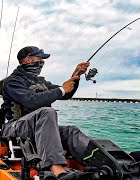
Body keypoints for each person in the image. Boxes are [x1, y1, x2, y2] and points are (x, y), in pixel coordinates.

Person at [1, 46, 91, 179]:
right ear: (28, 59)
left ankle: (100, 160)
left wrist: (76, 76)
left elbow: (65, 94)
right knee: (47, 112)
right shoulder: (12, 81)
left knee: (70, 131)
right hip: (15, 128)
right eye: (40, 58)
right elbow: (31, 101)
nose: (42, 62)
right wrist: (61, 89)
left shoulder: (41, 81)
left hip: (40, 127)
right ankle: (56, 169)